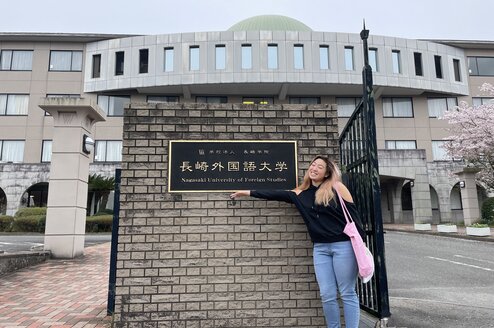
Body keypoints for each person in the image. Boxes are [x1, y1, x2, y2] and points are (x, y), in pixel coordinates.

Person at [230, 155, 364, 328]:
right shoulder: (299, 194)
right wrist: (247, 192)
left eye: (320, 167)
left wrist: (360, 248)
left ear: (326, 173)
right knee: (327, 294)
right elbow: (274, 194)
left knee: (347, 292)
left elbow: (355, 218)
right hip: (320, 249)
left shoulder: (337, 188)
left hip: (343, 246)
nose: (314, 168)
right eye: (313, 165)